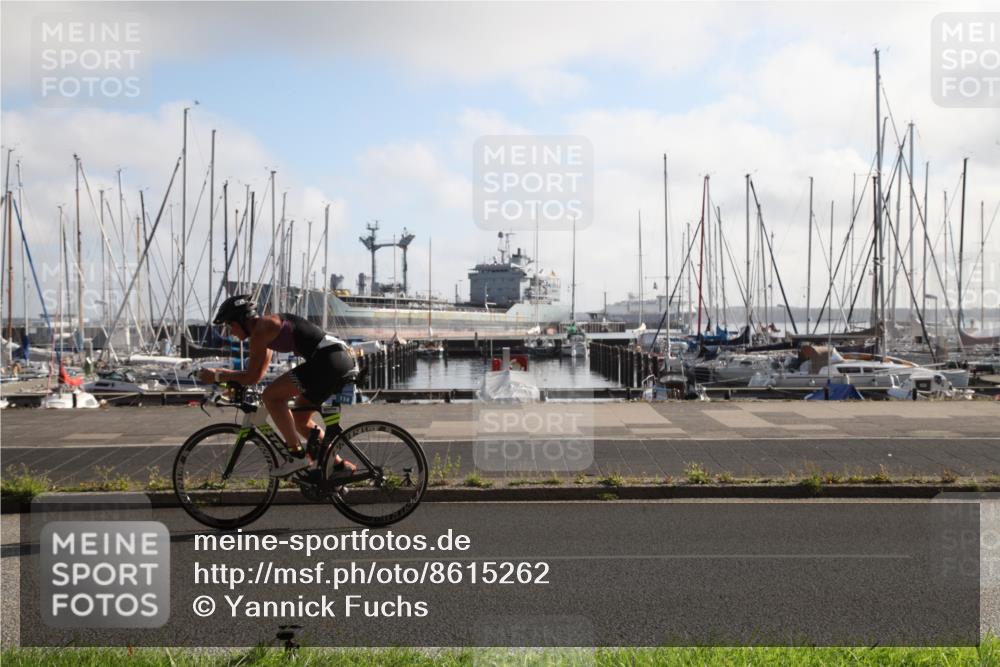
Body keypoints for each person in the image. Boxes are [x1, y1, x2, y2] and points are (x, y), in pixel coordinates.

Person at [199, 295, 358, 477]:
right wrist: (225, 382)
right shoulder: (263, 331)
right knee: (300, 419)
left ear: (242, 321)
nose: (230, 331)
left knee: (271, 397)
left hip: (327, 360)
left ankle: (297, 456)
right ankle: (339, 467)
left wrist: (217, 375)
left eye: (230, 325)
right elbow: (256, 376)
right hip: (335, 359)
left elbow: (250, 377)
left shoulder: (262, 330)